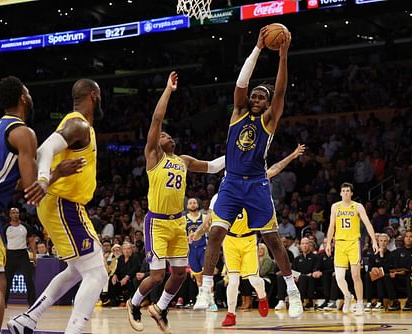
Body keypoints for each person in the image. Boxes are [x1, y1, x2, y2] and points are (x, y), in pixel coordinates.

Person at [196, 25, 303, 319]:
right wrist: (257, 47)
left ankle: (292, 290)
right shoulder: (237, 113)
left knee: (272, 240)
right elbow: (241, 83)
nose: (255, 99)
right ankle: (205, 289)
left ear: (267, 104)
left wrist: (282, 55)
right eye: (253, 97)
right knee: (216, 233)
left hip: (256, 184)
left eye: (260, 98)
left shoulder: (269, 121)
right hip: (231, 182)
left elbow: (280, 90)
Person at [125, 72, 225, 333]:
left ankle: (160, 308)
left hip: (178, 222)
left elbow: (214, 167)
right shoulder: (154, 156)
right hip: (156, 223)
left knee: (180, 272)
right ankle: (134, 303)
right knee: (157, 275)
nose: (166, 135)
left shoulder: (184, 160)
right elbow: (157, 119)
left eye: (169, 135)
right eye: (163, 134)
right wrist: (169, 90)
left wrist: (236, 153)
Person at [8, 78, 108, 334]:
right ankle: (73, 331)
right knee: (97, 274)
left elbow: (44, 151)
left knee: (76, 270)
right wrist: (45, 179)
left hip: (64, 205)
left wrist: (49, 177)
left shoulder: (78, 125)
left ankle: (28, 319)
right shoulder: (78, 123)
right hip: (64, 204)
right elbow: (46, 149)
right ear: (94, 95)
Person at [190, 143, 305, 326]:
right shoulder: (220, 196)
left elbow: (274, 169)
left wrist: (291, 155)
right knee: (233, 280)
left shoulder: (254, 178)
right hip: (230, 241)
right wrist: (197, 233)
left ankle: (262, 297)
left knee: (254, 279)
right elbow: (208, 221)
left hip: (248, 239)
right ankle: (230, 314)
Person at [0, 76, 41, 334]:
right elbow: (31, 189)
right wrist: (56, 172)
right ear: (22, 97)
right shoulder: (23, 132)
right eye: (28, 91)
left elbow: (12, 182)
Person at [325, 182, 379, 316]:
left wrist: (374, 240)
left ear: (352, 193)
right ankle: (348, 296)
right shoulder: (335, 206)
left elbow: (367, 223)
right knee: (339, 277)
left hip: (354, 243)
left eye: (348, 191)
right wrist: (328, 242)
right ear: (340, 193)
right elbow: (332, 226)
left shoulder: (358, 206)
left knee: (356, 275)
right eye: (343, 191)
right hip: (339, 244)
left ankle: (360, 303)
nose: (346, 193)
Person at [4, 207, 37, 306]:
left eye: (17, 213)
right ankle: (4, 302)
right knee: (7, 281)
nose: (15, 214)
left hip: (23, 254)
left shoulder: (25, 226)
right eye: (13, 213)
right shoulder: (6, 227)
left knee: (29, 280)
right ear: (10, 215)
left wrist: (34, 255)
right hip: (10, 255)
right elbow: (3, 243)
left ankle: (32, 303)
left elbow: (31, 241)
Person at [185, 198, 206, 305]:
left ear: (198, 205)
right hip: (191, 250)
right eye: (190, 203)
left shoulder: (204, 217)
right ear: (187, 206)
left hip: (203, 248)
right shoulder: (183, 219)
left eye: (194, 203)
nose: (192, 205)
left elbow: (211, 232)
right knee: (198, 276)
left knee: (206, 273)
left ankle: (210, 300)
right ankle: (202, 297)